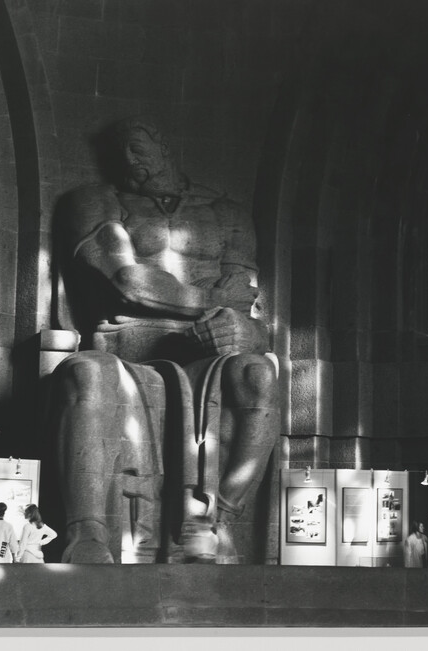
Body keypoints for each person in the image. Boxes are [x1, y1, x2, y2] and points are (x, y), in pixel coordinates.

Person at [50, 116, 279, 565]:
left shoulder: (226, 214)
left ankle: (216, 521)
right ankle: (88, 534)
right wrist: (213, 302)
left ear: (164, 147)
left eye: (138, 148)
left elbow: (247, 301)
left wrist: (244, 330)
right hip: (125, 348)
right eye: (120, 154)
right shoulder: (96, 201)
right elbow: (128, 280)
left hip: (206, 353)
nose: (129, 161)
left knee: (259, 372)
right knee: (86, 372)